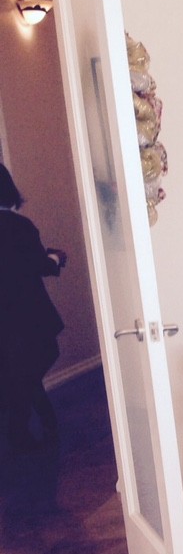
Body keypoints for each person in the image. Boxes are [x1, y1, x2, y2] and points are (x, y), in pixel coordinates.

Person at [0, 163, 66, 451]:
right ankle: (21, 430)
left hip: (5, 318)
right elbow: (40, 265)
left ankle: (34, 425)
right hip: (27, 315)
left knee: (19, 370)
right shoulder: (20, 226)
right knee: (35, 362)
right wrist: (56, 258)